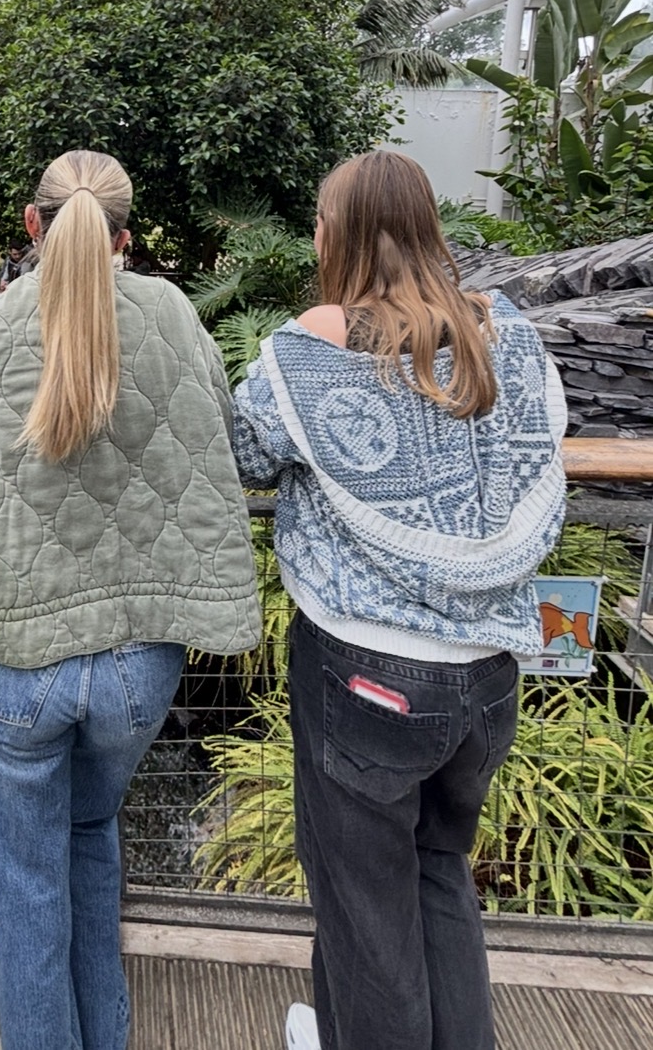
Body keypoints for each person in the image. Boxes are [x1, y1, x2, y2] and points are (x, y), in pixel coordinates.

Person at [0, 149, 261, 1050]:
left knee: (22, 878)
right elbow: (220, 434)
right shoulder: (172, 311)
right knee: (91, 831)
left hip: (19, 655)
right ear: (124, 235)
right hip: (140, 661)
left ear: (33, 226)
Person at [232, 151, 566, 1050]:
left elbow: (246, 451)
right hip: (487, 677)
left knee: (362, 907)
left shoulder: (315, 344)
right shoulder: (511, 337)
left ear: (333, 235)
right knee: (438, 874)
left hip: (366, 678)